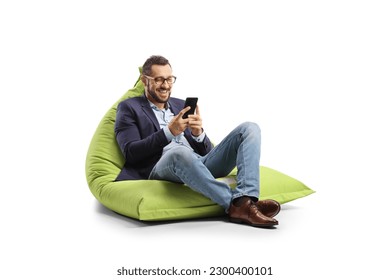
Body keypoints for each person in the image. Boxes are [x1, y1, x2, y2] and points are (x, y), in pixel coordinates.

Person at [115, 55, 280, 227]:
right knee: (179, 152)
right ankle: (237, 205)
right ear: (144, 80)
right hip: (161, 166)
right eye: (158, 80)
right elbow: (131, 152)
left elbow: (207, 153)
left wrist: (197, 133)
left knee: (249, 128)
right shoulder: (129, 107)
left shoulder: (180, 105)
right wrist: (169, 132)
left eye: (169, 79)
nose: (165, 85)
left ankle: (246, 198)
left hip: (195, 164)